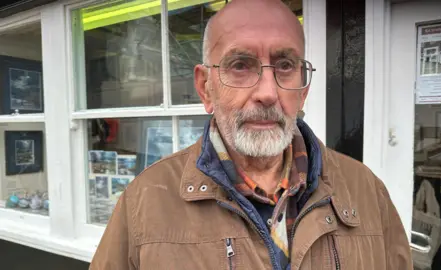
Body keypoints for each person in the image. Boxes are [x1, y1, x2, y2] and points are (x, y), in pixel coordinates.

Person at [89, 0, 413, 269]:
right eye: (241, 65)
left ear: (304, 90)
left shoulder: (367, 192)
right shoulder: (145, 202)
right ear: (206, 88)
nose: (268, 93)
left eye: (285, 64)